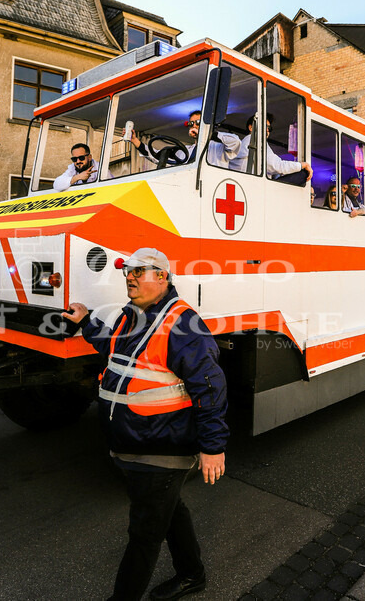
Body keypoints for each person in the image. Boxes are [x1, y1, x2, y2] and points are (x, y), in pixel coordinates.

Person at [62, 248, 228, 601]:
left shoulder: (184, 324)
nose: (131, 277)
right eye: (128, 271)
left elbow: (210, 387)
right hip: (135, 443)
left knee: (144, 533)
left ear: (163, 277)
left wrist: (213, 447)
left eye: (140, 271)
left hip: (162, 448)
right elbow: (114, 351)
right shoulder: (132, 317)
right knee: (169, 511)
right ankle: (192, 575)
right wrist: (86, 322)